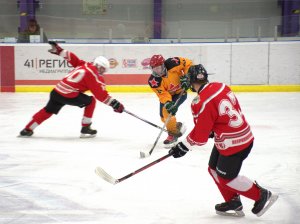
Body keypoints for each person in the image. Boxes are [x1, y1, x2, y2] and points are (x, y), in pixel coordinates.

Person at [169, 64, 278, 217]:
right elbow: (223, 114)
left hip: (233, 145)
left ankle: (261, 195)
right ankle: (233, 201)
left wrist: (183, 146)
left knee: (226, 177)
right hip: (241, 136)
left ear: (191, 81)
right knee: (213, 169)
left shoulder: (199, 102)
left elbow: (200, 136)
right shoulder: (221, 86)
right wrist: (213, 130)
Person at [19, 41, 124, 138]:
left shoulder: (85, 64)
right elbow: (101, 96)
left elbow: (73, 59)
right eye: (102, 69)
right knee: (91, 102)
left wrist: (60, 51)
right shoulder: (94, 75)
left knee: (48, 110)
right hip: (69, 95)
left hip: (56, 92)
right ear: (98, 65)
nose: (102, 72)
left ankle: (27, 129)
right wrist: (116, 105)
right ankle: (85, 127)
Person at [148, 55, 193, 147]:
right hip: (168, 96)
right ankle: (177, 127)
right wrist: (168, 103)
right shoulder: (153, 80)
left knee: (167, 113)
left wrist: (187, 77)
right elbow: (162, 94)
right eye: (154, 68)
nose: (156, 70)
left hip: (180, 92)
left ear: (163, 65)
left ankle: (173, 134)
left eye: (158, 68)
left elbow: (188, 64)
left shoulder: (173, 62)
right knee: (163, 117)